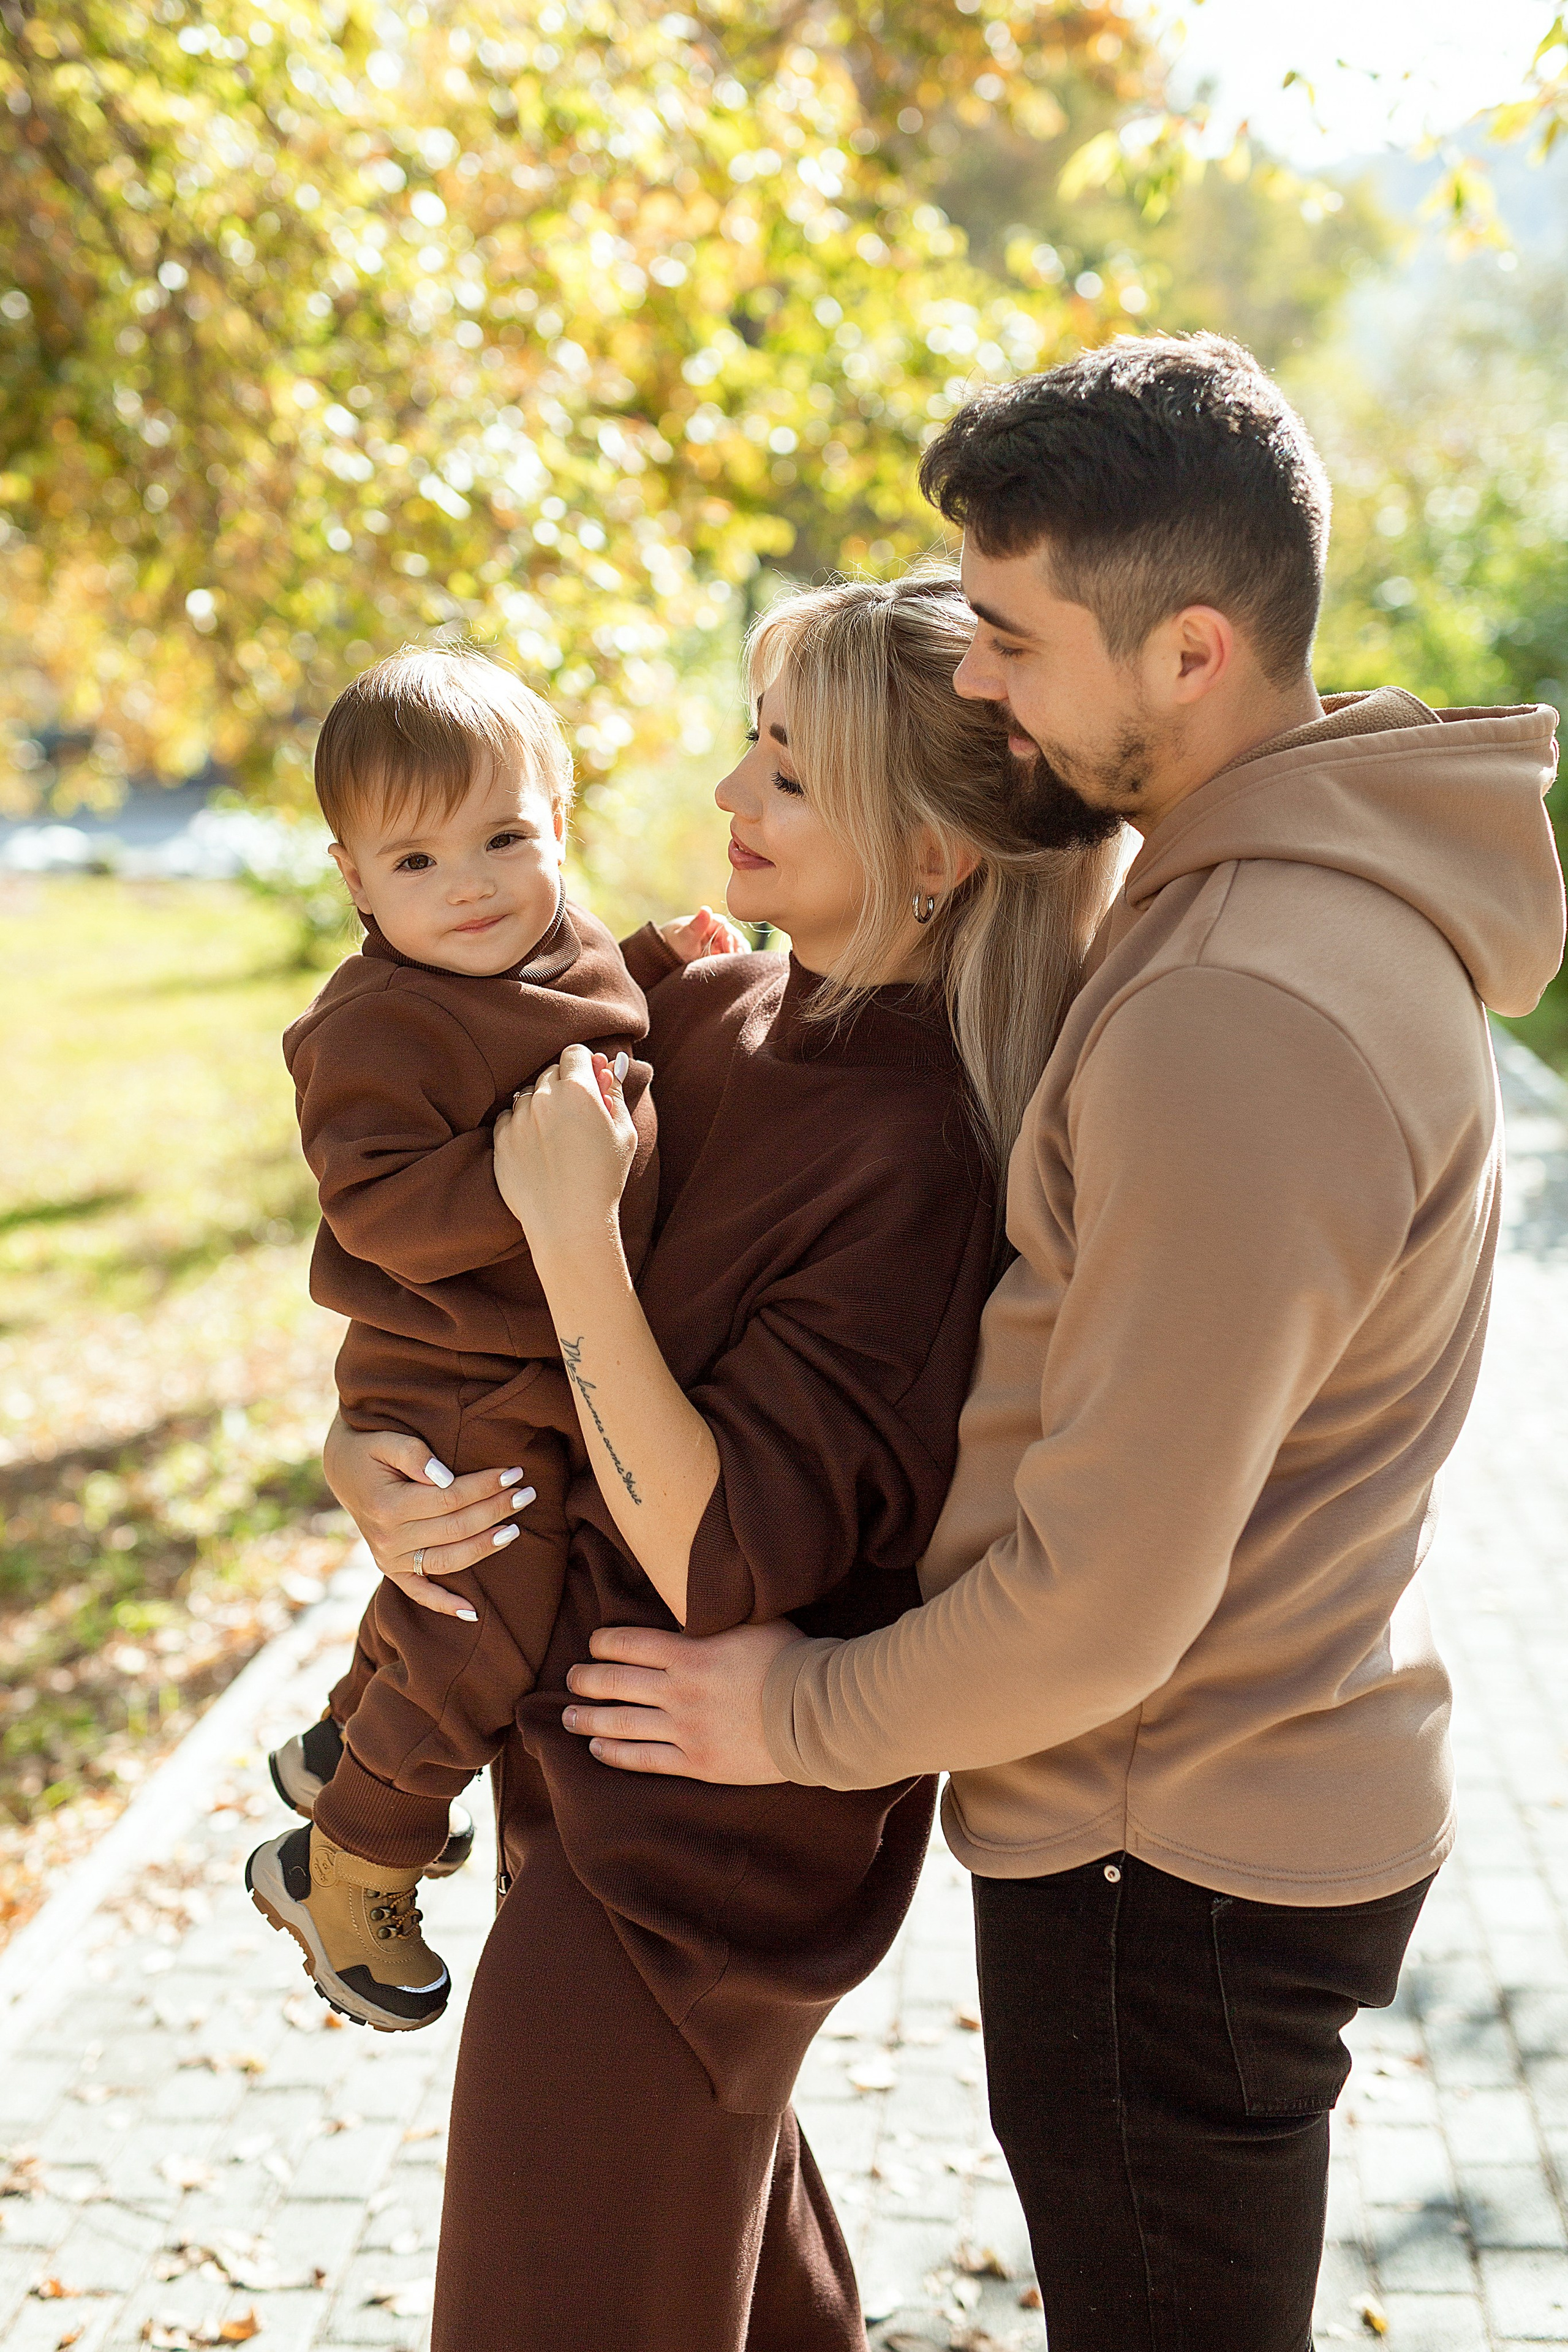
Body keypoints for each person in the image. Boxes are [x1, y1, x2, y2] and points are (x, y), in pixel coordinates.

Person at [556, 337, 1567, 2351]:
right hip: (1211, 1828)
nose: (976, 681)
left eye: (1012, 639)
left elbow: (1106, 1601)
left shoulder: (1241, 1007)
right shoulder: (1260, 912)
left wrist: (792, 1717)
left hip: (1160, 1856)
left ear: (1191, 653)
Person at [321, 570, 1120, 2350]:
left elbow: (713, 1554)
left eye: (791, 772)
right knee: (744, 2293)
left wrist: (576, 1238)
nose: (730, 799)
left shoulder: (917, 1146)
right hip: (580, 1770)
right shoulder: (716, 1008)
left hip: (693, 1859)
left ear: (935, 855)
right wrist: (358, 1450)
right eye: (754, 747)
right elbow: (461, 1301)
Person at [246, 645, 658, 2033]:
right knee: (482, 1623)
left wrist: (676, 964)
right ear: (353, 880)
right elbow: (378, 1208)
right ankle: (351, 1856)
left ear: (559, 824)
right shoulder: (374, 1027)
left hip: (537, 1359)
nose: (470, 883)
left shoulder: (563, 945)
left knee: (446, 1595)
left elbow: (600, 1020)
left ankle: (335, 1747)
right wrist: (533, 1188)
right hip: (455, 1372)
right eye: (413, 863)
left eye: (503, 837)